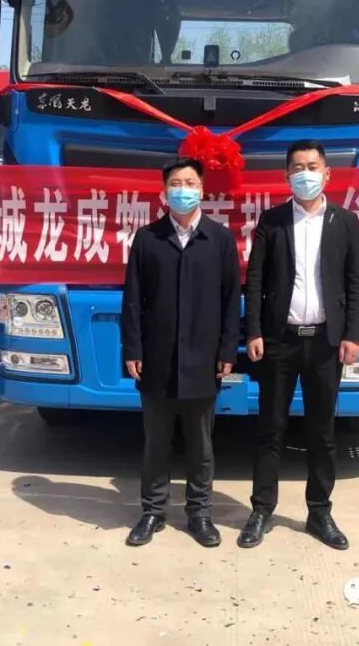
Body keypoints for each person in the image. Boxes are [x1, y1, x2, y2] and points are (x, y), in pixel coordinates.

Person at [239, 140, 359, 550]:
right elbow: (254, 279)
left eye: (312, 166)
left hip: (326, 343)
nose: (305, 173)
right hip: (280, 341)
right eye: (297, 167)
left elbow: (355, 282)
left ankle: (319, 512)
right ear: (286, 175)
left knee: (322, 433)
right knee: (269, 429)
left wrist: (353, 335)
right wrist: (254, 332)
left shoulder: (345, 222)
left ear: (327, 173)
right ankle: (261, 510)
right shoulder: (272, 221)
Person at [121, 157, 241, 547]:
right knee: (156, 443)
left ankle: (199, 514)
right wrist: (133, 349)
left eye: (190, 183)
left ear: (202, 190)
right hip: (156, 358)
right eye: (176, 183)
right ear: (163, 192)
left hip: (204, 359)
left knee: (200, 444)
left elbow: (230, 300)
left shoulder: (219, 239)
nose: (183, 190)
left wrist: (228, 349)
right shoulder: (148, 238)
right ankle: (152, 512)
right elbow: (133, 300)